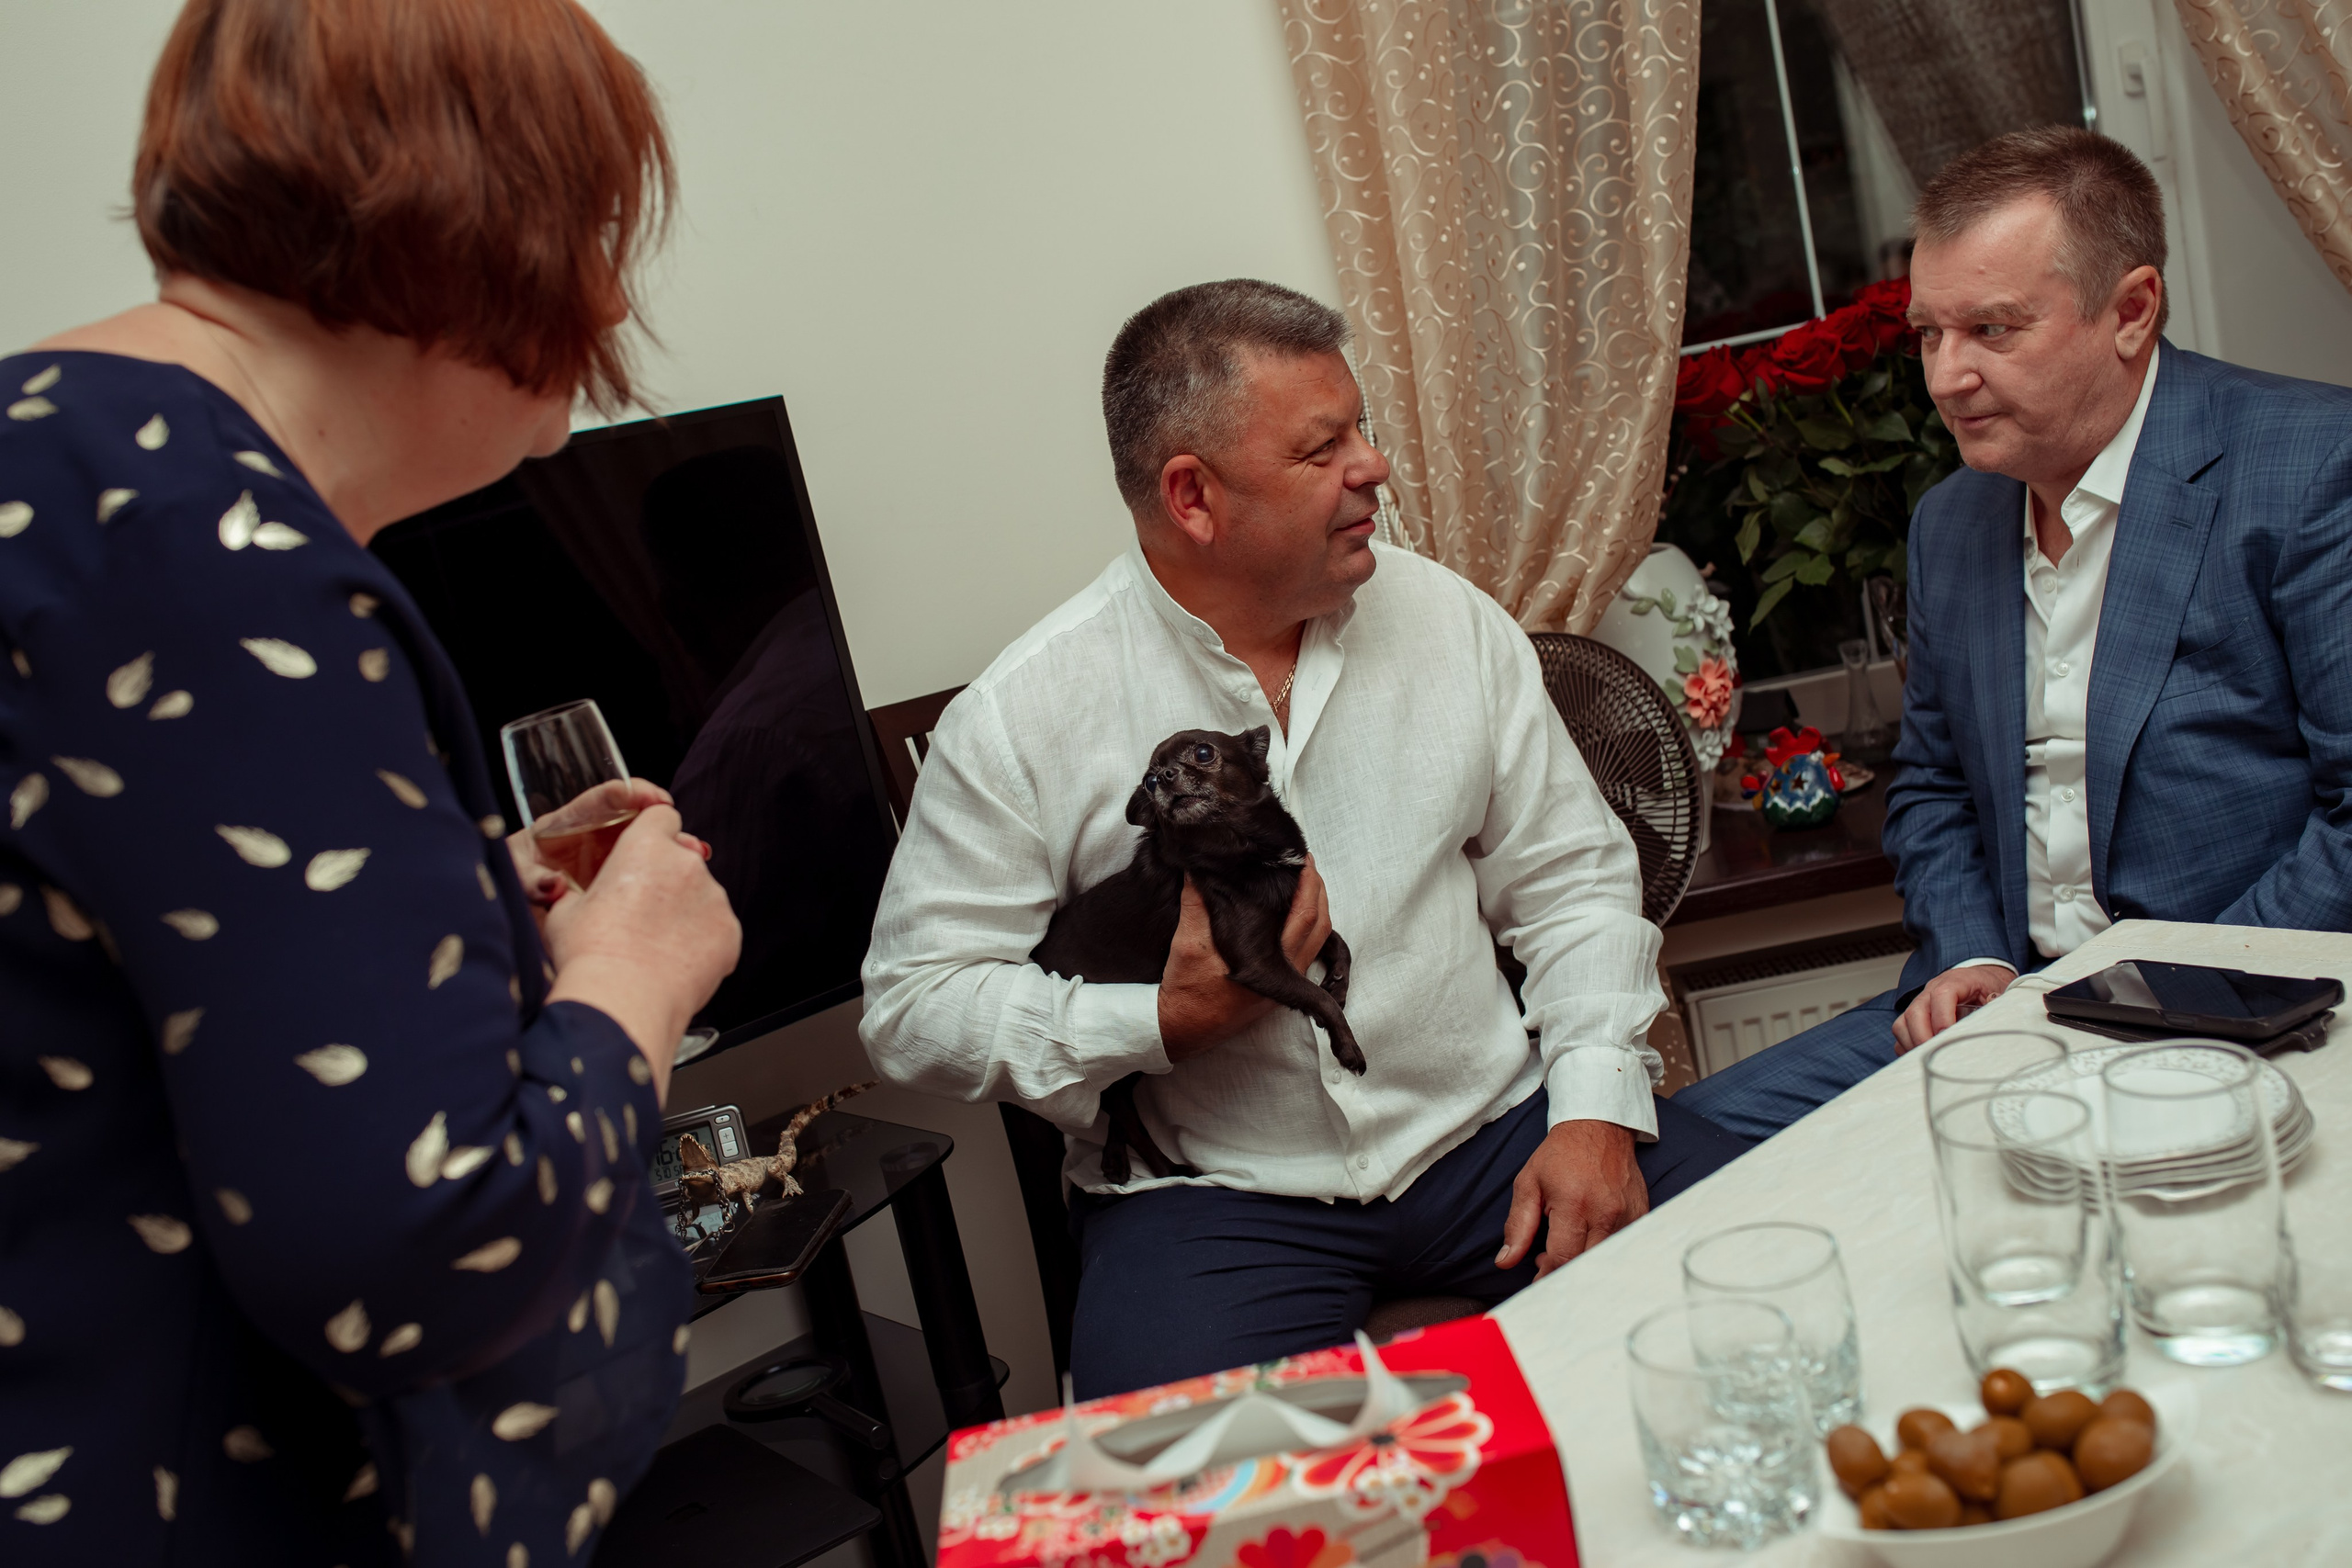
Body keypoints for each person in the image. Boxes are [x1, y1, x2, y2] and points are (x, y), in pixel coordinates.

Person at [0, 3, 741, 1563]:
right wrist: (637, 976)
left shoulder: (59, 454)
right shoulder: (207, 545)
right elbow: (425, 1242)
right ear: (484, 221)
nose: (609, 298)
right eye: (593, 227)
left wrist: (465, 918)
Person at [861, 279, 1749, 1398]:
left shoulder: (1448, 621)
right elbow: (911, 1006)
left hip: (1493, 1135)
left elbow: (1572, 881)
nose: (1371, 466)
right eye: (1323, 447)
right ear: (1193, 495)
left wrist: (1593, 1108)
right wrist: (1152, 1020)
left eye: (1361, 429)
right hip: (1218, 1203)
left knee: (1776, 1277)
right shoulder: (1021, 717)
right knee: (1176, 1515)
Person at [1677, 127, 2352, 1143]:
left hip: (2237, 995)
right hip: (2006, 999)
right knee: (1684, 1148)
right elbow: (1934, 786)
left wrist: (2181, 993)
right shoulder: (1950, 522)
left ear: (2130, 311)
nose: (1946, 377)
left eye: (1991, 331)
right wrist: (1967, 956)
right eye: (1927, 335)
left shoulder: (2308, 470)